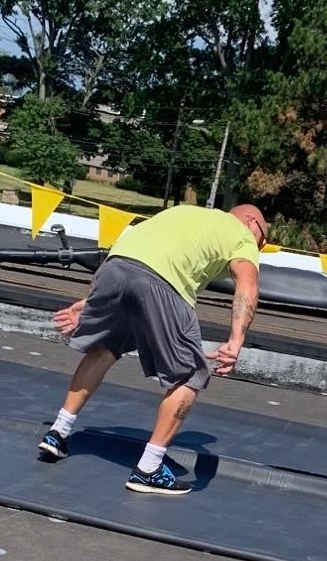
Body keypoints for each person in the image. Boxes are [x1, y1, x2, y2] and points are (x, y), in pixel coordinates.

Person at [38, 202, 267, 495]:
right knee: (190, 376)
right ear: (251, 222)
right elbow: (247, 283)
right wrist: (236, 339)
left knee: (107, 345)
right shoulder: (242, 234)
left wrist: (91, 301)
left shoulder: (186, 213)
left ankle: (58, 432)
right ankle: (149, 468)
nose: (260, 247)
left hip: (116, 265)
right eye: (263, 239)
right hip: (162, 280)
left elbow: (128, 253)